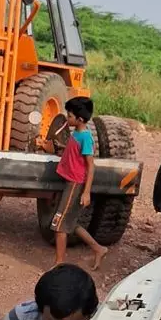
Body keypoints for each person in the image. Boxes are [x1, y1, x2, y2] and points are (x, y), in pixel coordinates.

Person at [40, 96, 107, 269]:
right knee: (69, 223)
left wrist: (86, 192)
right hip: (70, 182)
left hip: (75, 185)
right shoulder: (76, 133)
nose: (67, 118)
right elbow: (71, 153)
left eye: (69, 116)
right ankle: (98, 248)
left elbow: (90, 166)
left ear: (80, 119)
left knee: (59, 225)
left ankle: (59, 263)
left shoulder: (85, 138)